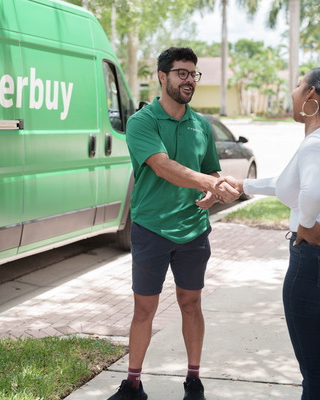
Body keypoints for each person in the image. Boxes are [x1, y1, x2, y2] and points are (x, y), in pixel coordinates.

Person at [215, 66, 320, 399]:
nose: (293, 92)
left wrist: (305, 225)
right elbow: (292, 183)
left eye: (298, 85)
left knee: (316, 374)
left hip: (319, 264)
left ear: (311, 95)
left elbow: (315, 189)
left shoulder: (315, 144)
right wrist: (244, 184)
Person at [107, 47, 239, 400]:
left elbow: (211, 169)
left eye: (193, 74)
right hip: (151, 229)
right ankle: (133, 383)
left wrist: (211, 191)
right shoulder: (142, 122)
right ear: (162, 77)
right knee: (144, 309)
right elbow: (163, 166)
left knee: (191, 304)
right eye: (182, 73)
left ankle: (193, 380)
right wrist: (210, 184)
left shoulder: (201, 125)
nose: (189, 80)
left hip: (193, 230)